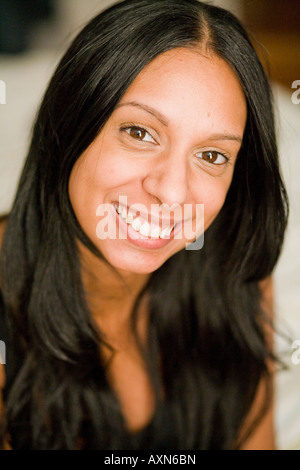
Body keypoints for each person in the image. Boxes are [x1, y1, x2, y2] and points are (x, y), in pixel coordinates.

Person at [0, 0, 288, 450]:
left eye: (212, 156)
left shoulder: (234, 268)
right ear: (72, 118)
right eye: (139, 132)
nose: (172, 192)